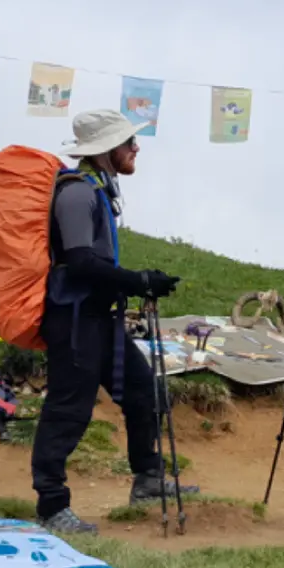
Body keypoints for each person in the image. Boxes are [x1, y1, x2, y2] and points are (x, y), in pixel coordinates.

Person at [29, 109, 198, 534]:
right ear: (106, 150)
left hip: (100, 319)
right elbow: (80, 261)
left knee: (145, 391)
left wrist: (134, 284)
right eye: (128, 143)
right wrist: (137, 281)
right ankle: (51, 506)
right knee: (68, 410)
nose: (136, 148)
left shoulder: (99, 189)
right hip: (74, 320)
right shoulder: (76, 193)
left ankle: (147, 478)